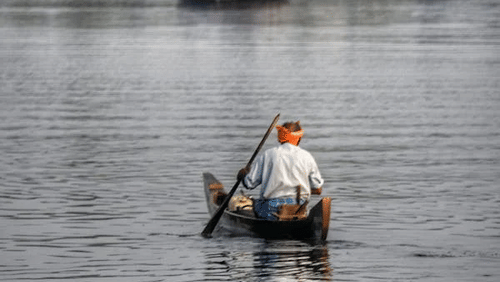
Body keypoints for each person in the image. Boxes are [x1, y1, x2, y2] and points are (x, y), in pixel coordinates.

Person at [237, 121, 324, 220]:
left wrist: (242, 175)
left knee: (252, 203)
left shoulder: (268, 154)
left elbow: (249, 184)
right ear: (298, 138)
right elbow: (318, 189)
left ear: (280, 138)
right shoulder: (307, 156)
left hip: (271, 207)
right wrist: (297, 190)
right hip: (298, 208)